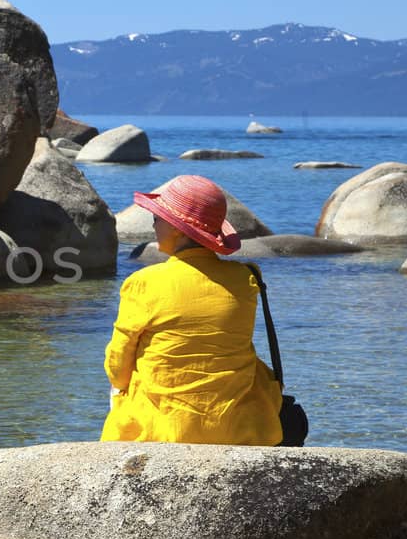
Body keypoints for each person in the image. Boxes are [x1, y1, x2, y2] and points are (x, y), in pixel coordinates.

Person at [101, 175, 283, 445]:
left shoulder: (143, 282)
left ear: (179, 229)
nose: (153, 225)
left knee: (121, 382)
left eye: (157, 219)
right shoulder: (246, 277)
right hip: (238, 425)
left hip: (164, 429)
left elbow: (117, 368)